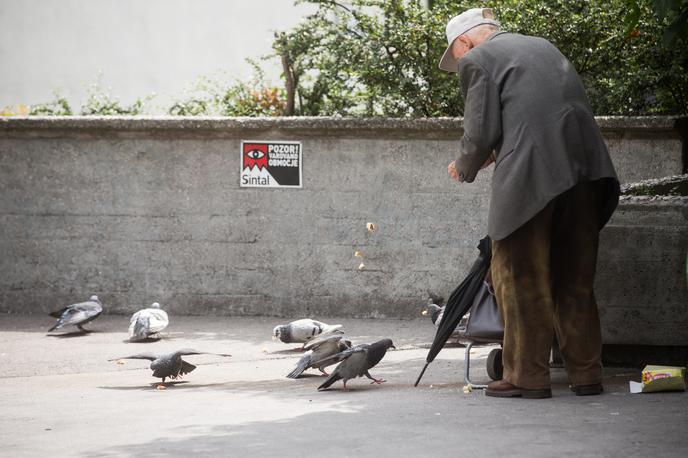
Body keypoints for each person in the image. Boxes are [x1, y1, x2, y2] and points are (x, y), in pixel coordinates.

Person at [440, 8, 620, 399]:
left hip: (532, 179)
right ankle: (587, 374)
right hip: (584, 172)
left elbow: (481, 129)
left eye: (456, 56)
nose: (460, 63)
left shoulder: (478, 59)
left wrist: (465, 165)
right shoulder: (542, 46)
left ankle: (527, 377)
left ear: (465, 43)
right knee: (575, 279)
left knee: (518, 277)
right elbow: (537, 114)